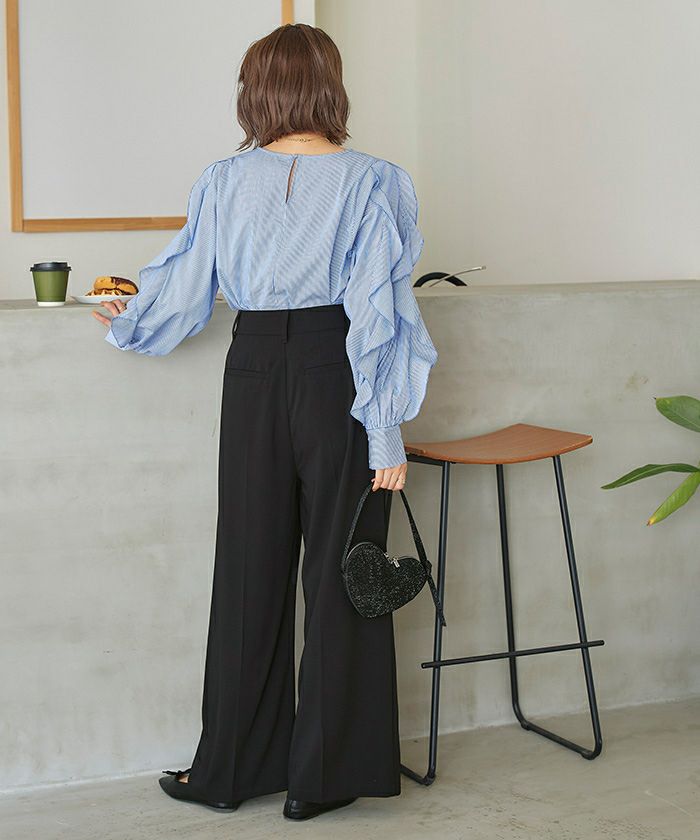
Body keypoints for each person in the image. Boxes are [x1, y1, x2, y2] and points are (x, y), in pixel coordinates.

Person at [93, 23, 438, 821]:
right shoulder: (372, 181)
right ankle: (324, 778)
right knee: (344, 572)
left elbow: (185, 290)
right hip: (334, 369)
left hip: (251, 369)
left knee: (248, 570)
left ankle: (230, 771)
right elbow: (377, 313)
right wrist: (384, 431)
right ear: (330, 86)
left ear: (257, 91)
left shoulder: (223, 180)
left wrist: (126, 322)